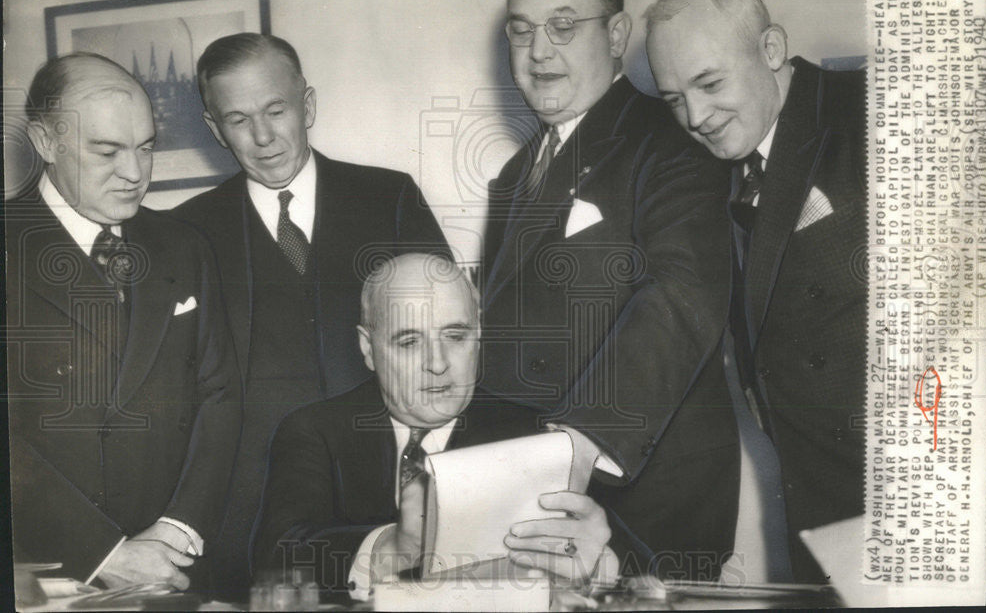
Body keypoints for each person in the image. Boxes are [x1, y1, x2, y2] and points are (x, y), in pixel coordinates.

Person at [480, 0, 739, 580]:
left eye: (564, 26)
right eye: (522, 30)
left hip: (641, 511)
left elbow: (681, 296)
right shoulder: (515, 174)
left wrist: (574, 447)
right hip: (541, 506)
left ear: (617, 34)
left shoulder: (672, 139)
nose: (539, 52)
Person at [170, 33, 450, 597]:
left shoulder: (389, 198)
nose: (264, 136)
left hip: (384, 505)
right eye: (239, 119)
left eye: (277, 110)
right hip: (245, 526)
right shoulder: (187, 232)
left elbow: (449, 350)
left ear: (308, 105)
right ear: (213, 127)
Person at [645, 0, 866, 582]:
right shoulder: (719, 163)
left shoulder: (875, 112)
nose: (695, 116)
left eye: (710, 83)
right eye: (673, 98)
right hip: (816, 502)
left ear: (771, 50)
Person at [253, 253, 619, 601]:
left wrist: (597, 569)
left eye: (455, 336)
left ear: (478, 331)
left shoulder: (537, 435)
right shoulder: (315, 431)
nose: (438, 363)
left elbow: (612, 561)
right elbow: (278, 557)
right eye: (410, 341)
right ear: (368, 347)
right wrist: (393, 549)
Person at [6, 53, 241, 591]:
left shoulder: (184, 246)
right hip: (45, 575)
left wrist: (178, 530)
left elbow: (221, 396)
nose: (136, 173)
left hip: (171, 564)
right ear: (45, 143)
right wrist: (102, 553)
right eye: (108, 151)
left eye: (146, 146)